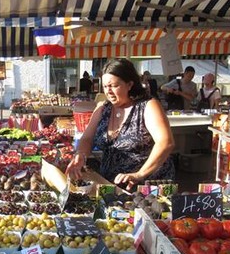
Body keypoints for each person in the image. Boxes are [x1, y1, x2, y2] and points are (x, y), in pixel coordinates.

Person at [66, 58, 175, 190]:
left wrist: (139, 174)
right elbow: (87, 138)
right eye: (106, 86)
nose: (108, 91)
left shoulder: (148, 106)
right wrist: (81, 155)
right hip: (110, 185)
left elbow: (165, 143)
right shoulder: (103, 108)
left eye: (114, 86)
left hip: (146, 187)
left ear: (129, 84)